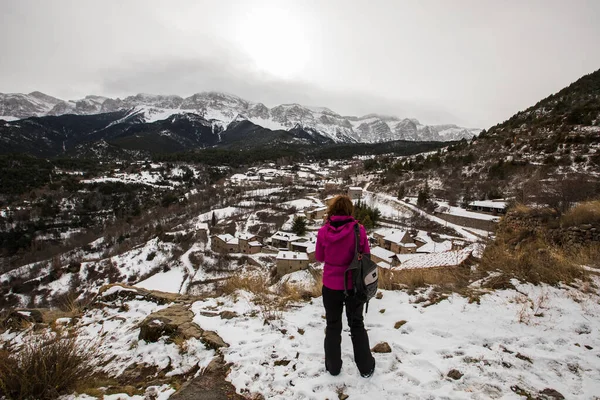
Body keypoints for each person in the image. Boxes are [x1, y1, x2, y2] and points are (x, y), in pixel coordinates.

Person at [315, 195, 376, 378]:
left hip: (331, 286)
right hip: (354, 286)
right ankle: (365, 367)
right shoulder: (359, 230)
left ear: (332, 210)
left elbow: (320, 257)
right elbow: (366, 255)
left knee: (333, 326)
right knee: (356, 324)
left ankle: (333, 367)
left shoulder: (323, 232)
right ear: (349, 210)